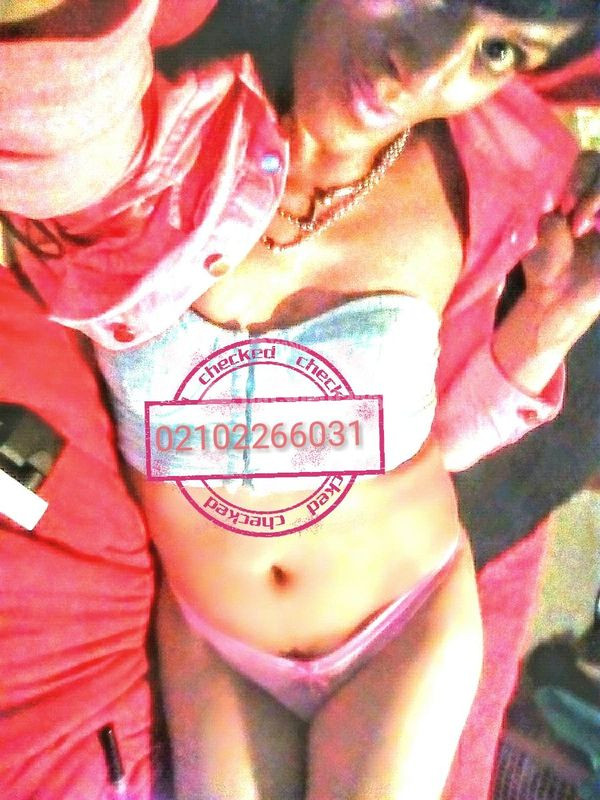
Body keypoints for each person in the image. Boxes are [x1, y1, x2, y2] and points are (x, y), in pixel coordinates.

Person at [0, 1, 599, 799]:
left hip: (404, 621)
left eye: (497, 51)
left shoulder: (487, 182)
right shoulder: (153, 152)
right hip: (214, 642)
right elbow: (47, 103)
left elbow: (444, 439)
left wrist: (549, 328)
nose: (427, 69)